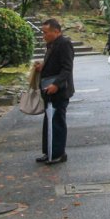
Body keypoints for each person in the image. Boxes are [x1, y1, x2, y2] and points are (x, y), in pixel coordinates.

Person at [34, 18, 75, 164]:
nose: (43, 35)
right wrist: (42, 67)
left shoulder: (64, 43)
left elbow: (67, 68)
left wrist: (56, 85)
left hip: (59, 89)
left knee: (57, 121)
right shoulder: (51, 45)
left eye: (46, 32)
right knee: (48, 121)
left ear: (56, 31)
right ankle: (49, 151)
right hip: (48, 88)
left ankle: (58, 153)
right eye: (43, 32)